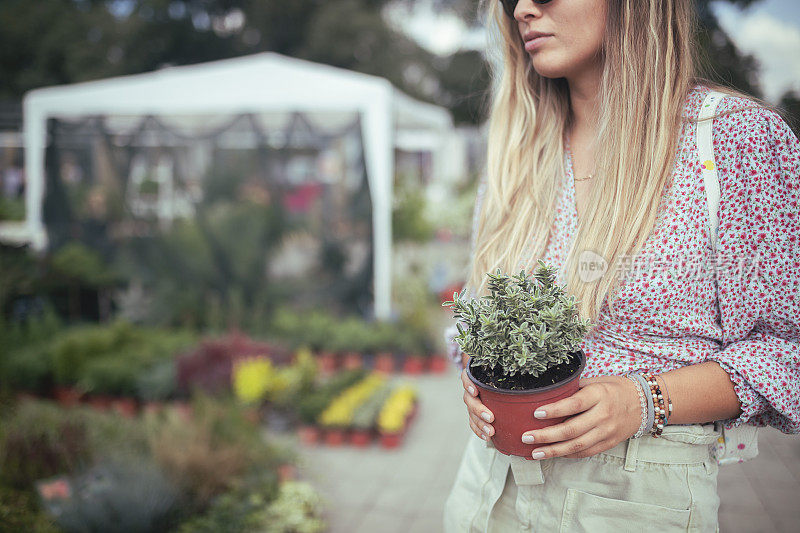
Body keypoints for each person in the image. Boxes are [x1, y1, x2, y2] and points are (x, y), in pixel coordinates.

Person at [442, 0, 800, 531]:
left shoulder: (732, 140)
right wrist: (475, 372)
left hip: (634, 499)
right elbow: (470, 314)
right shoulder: (516, 148)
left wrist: (644, 400)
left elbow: (786, 353)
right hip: (487, 492)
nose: (522, 9)